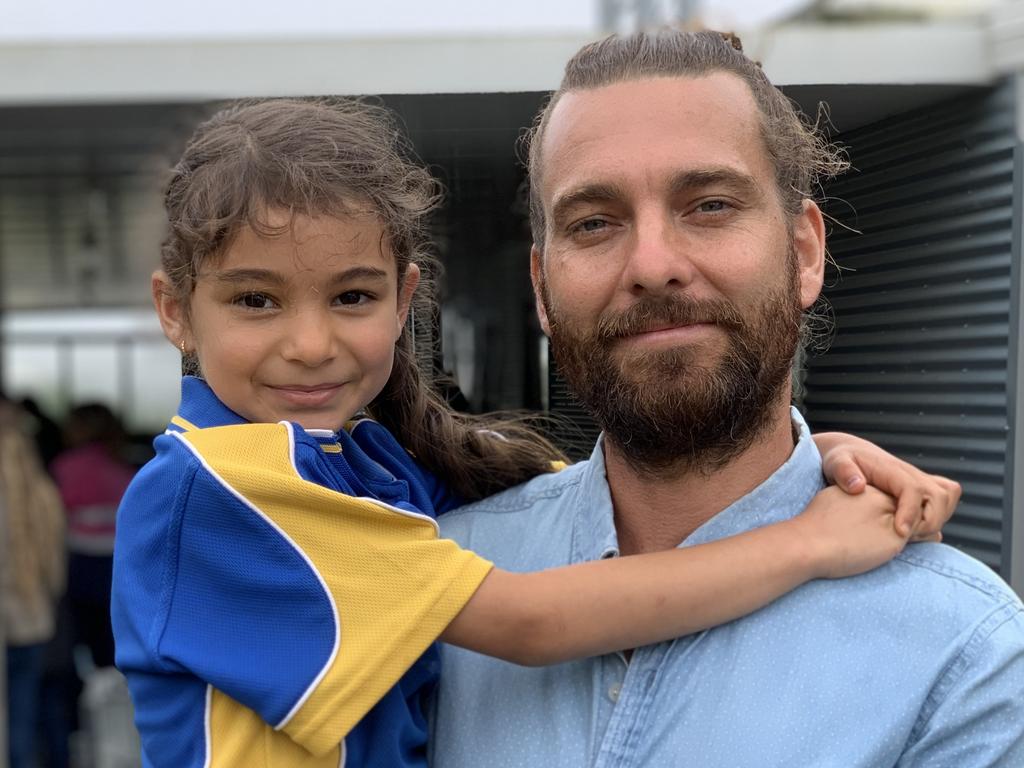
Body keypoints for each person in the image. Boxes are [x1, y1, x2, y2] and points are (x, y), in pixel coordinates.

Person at [110, 97, 955, 768]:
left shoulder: (356, 461)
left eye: (352, 297)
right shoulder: (216, 487)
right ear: (176, 311)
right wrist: (805, 542)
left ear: (405, 303)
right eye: (255, 300)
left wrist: (816, 460)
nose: (309, 342)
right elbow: (532, 622)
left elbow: (567, 495)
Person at [430, 28, 1024, 767]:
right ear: (542, 289)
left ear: (804, 253)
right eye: (593, 222)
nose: (652, 265)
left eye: (709, 205)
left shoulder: (964, 657)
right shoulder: (442, 577)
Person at [0, 395, 66, 768]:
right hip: (33, 621)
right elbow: (54, 567)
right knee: (22, 723)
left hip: (14, 621)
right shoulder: (43, 493)